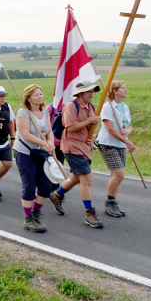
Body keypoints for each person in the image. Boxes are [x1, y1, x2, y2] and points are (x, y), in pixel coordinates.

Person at [48, 81, 104, 228]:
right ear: (80, 93)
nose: (92, 94)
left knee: (75, 178)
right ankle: (89, 214)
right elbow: (71, 127)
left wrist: (93, 135)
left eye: (93, 92)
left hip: (86, 147)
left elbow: (91, 128)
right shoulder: (71, 107)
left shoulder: (91, 107)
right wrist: (90, 121)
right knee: (87, 178)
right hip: (72, 147)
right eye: (88, 92)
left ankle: (57, 195)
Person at [13, 84, 56, 233]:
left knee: (45, 187)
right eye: (36, 95)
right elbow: (26, 134)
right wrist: (45, 143)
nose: (40, 97)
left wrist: (50, 143)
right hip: (25, 152)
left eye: (41, 94)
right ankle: (28, 218)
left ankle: (37, 213)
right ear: (29, 98)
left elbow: (49, 131)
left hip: (41, 153)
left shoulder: (44, 112)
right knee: (29, 186)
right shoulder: (23, 112)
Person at [96, 80, 135, 218]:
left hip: (120, 144)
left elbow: (129, 125)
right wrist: (128, 142)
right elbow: (110, 129)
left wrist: (127, 132)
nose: (126, 90)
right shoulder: (108, 107)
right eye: (123, 88)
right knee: (120, 174)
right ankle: (109, 201)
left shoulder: (124, 107)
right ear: (114, 91)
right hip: (108, 144)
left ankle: (112, 202)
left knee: (115, 175)